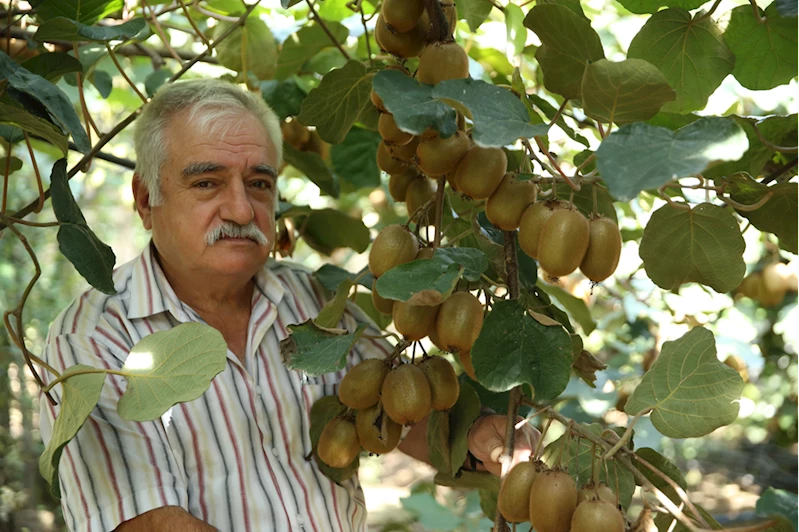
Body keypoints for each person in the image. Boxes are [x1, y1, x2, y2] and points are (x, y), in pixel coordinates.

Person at [38, 79, 538, 532]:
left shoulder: (316, 301)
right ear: (146, 200)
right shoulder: (90, 341)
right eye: (207, 182)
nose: (240, 209)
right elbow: (144, 523)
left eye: (259, 183)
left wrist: (479, 439)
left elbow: (397, 408)